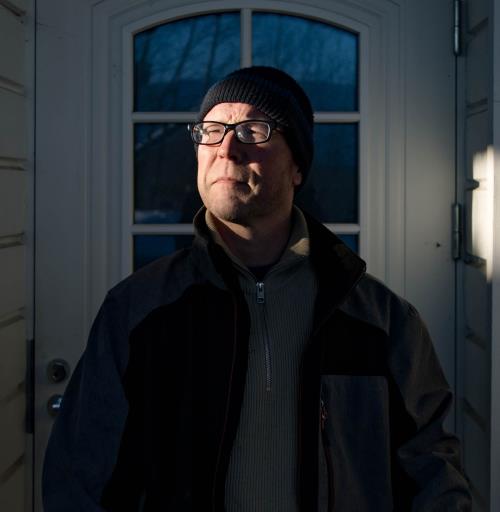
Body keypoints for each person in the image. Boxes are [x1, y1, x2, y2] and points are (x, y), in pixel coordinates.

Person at [43, 66, 471, 511]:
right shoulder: (137, 311)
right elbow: (78, 480)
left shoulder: (381, 321)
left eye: (252, 130)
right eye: (211, 130)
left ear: (297, 167)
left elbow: (432, 472)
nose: (227, 149)